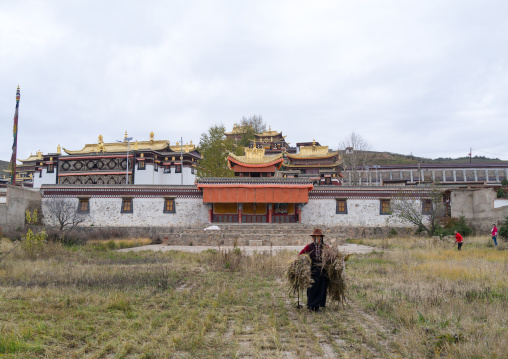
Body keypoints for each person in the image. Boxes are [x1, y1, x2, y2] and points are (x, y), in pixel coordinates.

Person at [299, 228, 328, 312]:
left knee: (321, 288)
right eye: (315, 237)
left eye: (318, 237)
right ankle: (311, 305)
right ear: (313, 238)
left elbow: (330, 256)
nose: (316, 238)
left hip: (322, 270)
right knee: (312, 288)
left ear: (321, 238)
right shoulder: (309, 246)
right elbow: (301, 254)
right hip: (313, 270)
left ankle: (317, 306)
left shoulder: (325, 246)